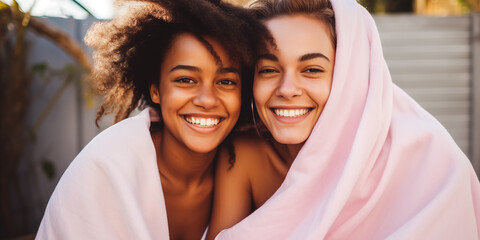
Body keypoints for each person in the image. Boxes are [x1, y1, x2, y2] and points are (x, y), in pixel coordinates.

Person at [207, 0, 480, 239]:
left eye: (312, 69)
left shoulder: (432, 164)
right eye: (268, 69)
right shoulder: (243, 154)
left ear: (349, 76)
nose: (287, 89)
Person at [35, 0, 268, 239]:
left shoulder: (247, 169)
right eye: (185, 80)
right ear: (155, 89)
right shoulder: (105, 168)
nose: (207, 100)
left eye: (226, 82)